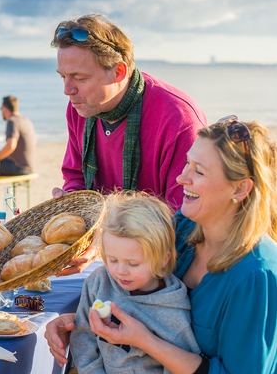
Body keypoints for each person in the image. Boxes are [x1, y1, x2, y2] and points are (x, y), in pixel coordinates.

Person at [46, 118, 277, 374]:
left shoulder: (258, 275)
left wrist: (145, 341)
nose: (181, 177)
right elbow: (135, 300)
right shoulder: (180, 229)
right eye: (187, 164)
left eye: (198, 171)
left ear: (240, 188)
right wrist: (77, 323)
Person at [50, 13, 207, 214]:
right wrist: (71, 200)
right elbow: (75, 176)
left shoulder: (178, 119)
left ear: (119, 72)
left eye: (79, 78)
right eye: (63, 76)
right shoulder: (79, 107)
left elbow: (186, 215)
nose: (67, 90)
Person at [70, 192, 200, 373]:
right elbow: (83, 336)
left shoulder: (173, 313)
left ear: (163, 259)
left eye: (133, 263)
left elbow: (176, 367)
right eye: (112, 259)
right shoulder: (99, 282)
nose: (120, 271)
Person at [0, 95, 37, 209]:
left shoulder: (12, 121)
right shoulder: (25, 120)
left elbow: (11, 145)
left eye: (1, 108)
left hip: (19, 167)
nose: (1, 111)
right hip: (29, 166)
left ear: (5, 109)